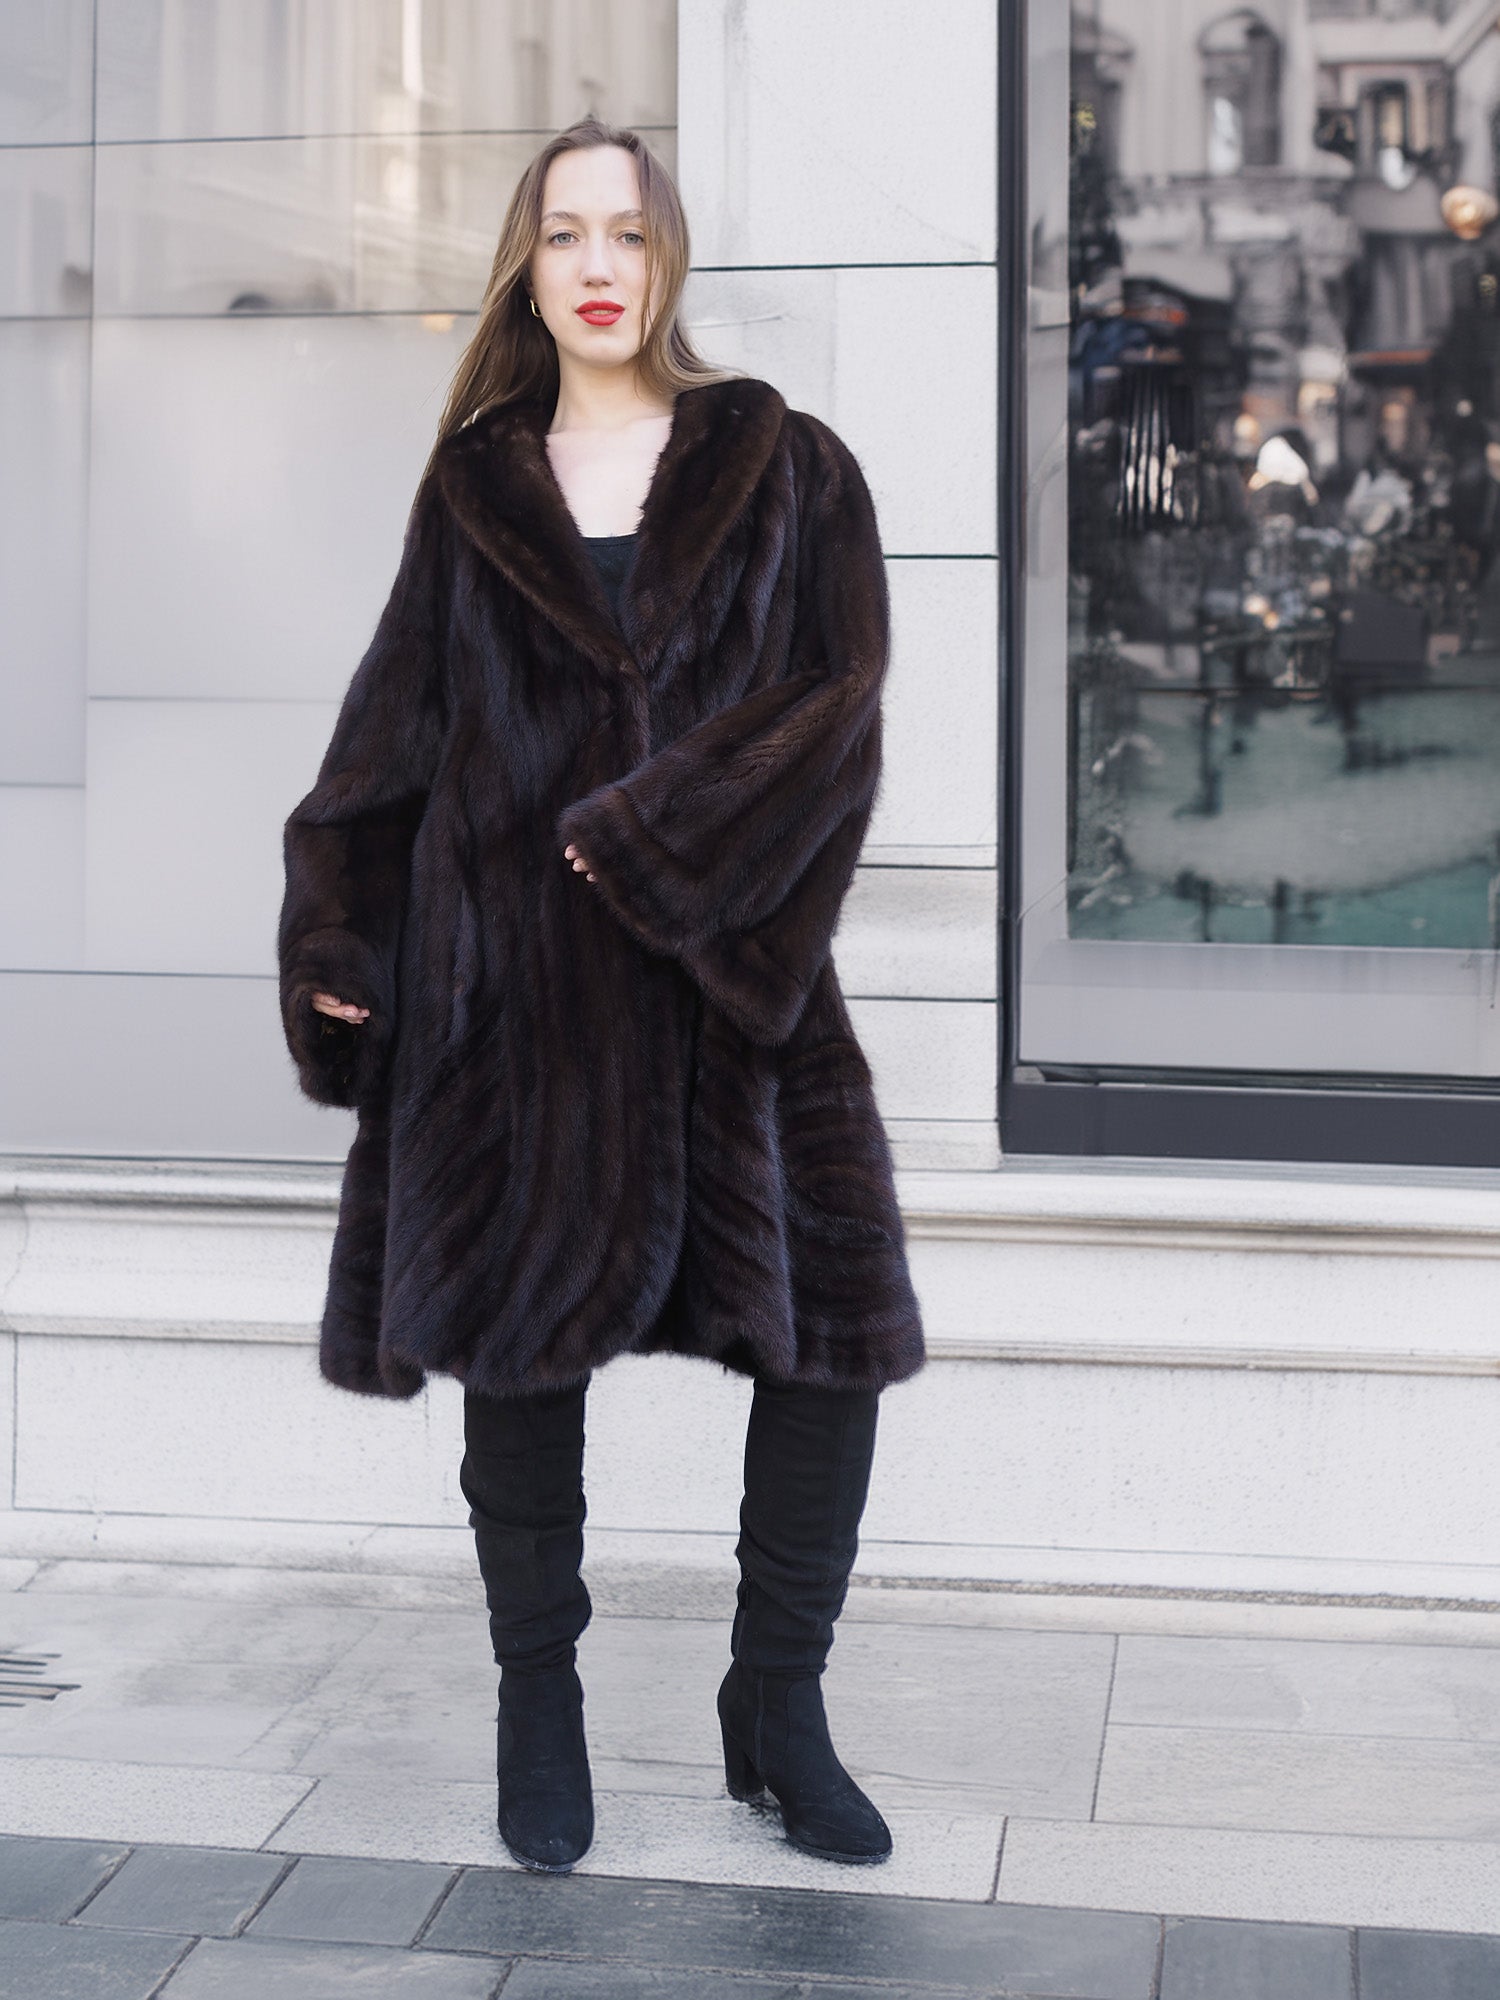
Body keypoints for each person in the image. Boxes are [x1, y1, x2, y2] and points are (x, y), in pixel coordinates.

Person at [276, 117, 926, 1876]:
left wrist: (660, 845)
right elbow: (384, 742)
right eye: (563, 231)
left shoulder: (789, 467)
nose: (596, 263)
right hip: (515, 1000)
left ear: (669, 257)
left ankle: (775, 1708)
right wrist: (339, 934)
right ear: (529, 262)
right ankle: (537, 1700)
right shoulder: (476, 483)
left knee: (827, 1351)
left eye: (625, 229)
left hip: (741, 995)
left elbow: (838, 707)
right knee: (521, 1351)